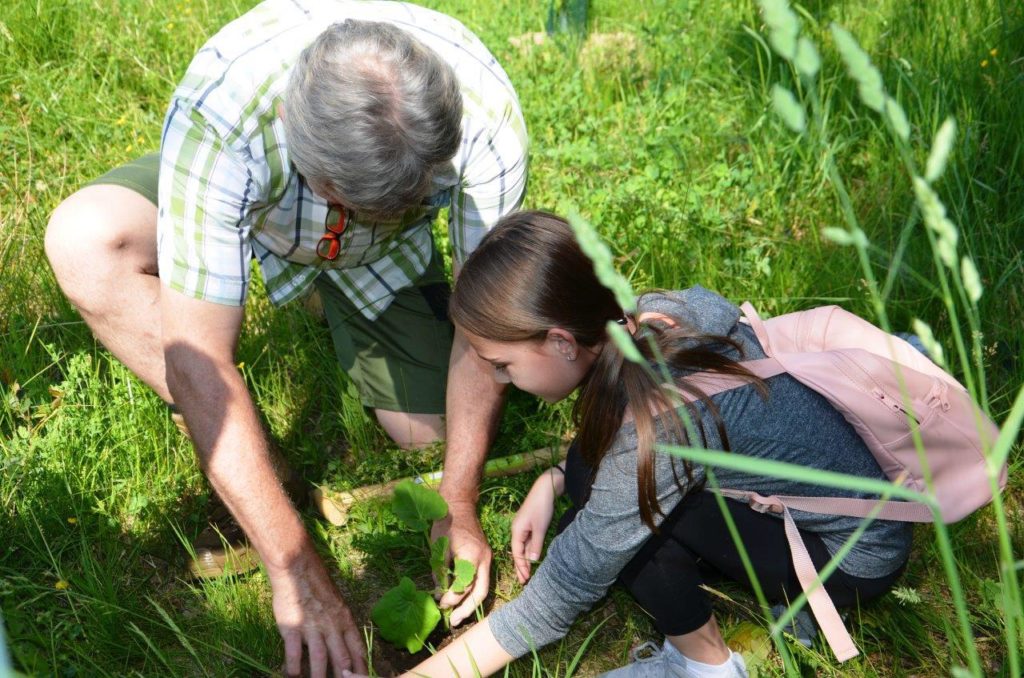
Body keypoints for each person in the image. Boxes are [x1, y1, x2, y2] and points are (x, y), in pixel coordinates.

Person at [44, 1, 527, 674]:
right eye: (361, 200)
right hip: (256, 206)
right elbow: (198, 361)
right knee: (84, 241)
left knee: (434, 437)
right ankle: (262, 466)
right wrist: (294, 568)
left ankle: (335, 303)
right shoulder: (224, 114)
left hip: (379, 254)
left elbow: (483, 334)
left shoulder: (486, 122)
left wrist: (459, 497)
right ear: (309, 161)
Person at [365, 211, 911, 678]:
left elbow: (565, 587)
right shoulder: (655, 315)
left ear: (561, 342)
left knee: (622, 514)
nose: (502, 381)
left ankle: (705, 666)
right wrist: (554, 478)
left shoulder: (656, 428)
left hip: (848, 559)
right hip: (865, 506)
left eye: (504, 365)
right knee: (586, 469)